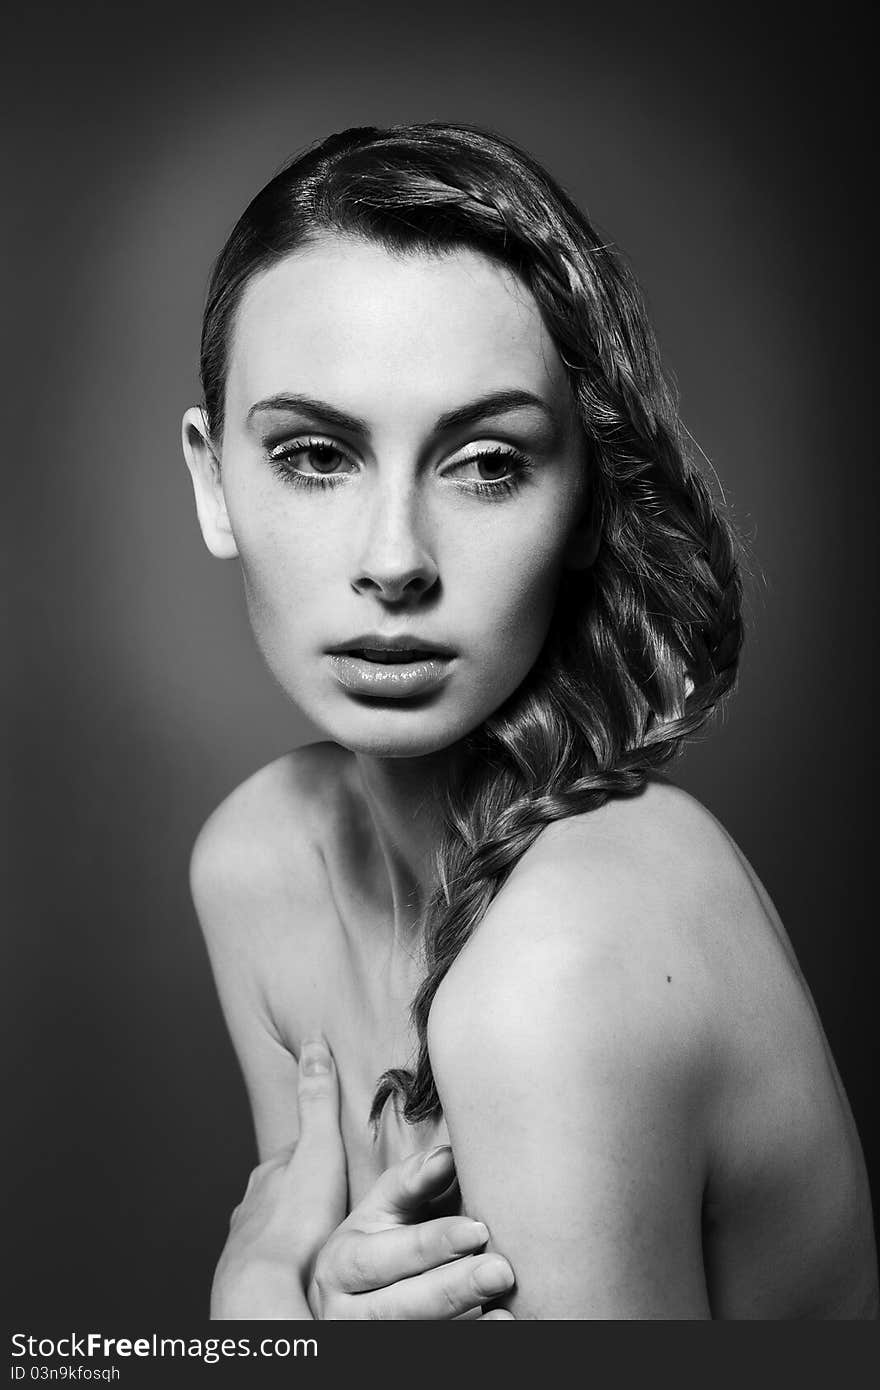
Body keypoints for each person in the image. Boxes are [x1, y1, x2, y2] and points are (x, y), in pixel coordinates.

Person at [182, 122, 878, 1319]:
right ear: (213, 484)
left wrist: (256, 1318)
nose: (394, 559)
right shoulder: (256, 864)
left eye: (487, 463)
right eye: (314, 455)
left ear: (584, 504)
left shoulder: (566, 956)